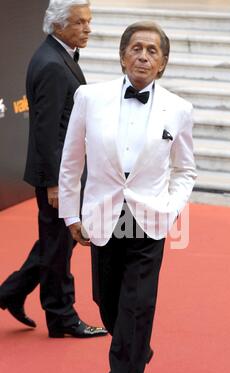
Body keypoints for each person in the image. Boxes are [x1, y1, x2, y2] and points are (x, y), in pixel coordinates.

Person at [59, 21, 196, 373]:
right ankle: (137, 348)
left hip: (148, 221)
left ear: (163, 63)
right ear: (122, 56)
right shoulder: (90, 97)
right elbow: (71, 161)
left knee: (136, 308)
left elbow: (185, 169)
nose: (143, 56)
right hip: (103, 217)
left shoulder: (179, 108)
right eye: (135, 48)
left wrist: (171, 208)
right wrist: (70, 215)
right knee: (107, 302)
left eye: (152, 51)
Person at [0, 0, 107, 339]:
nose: (87, 29)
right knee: (59, 246)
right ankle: (61, 316)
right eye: (80, 23)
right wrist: (55, 185)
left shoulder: (58, 55)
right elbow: (46, 132)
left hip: (65, 172)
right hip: (59, 176)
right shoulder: (51, 64)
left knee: (56, 242)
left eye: (89, 22)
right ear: (59, 26)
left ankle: (12, 292)